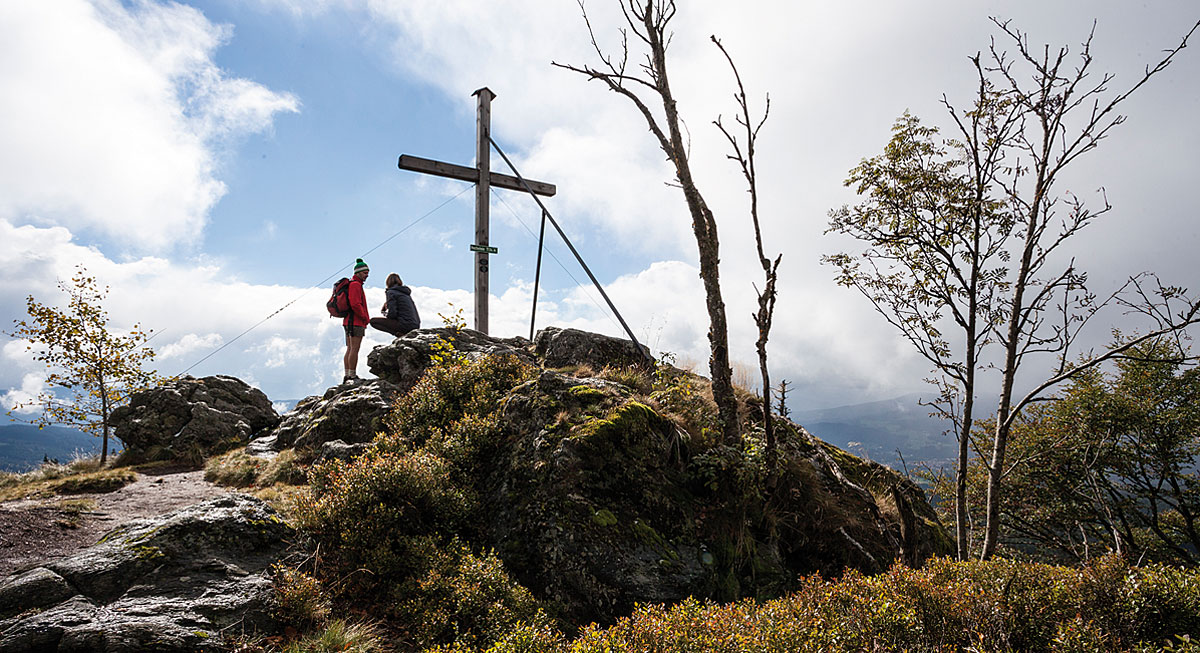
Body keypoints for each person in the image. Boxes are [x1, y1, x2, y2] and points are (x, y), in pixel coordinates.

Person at [342, 258, 370, 383]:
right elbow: (355, 304)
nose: (367, 275)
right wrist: (364, 317)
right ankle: (351, 375)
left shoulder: (352, 284)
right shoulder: (355, 285)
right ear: (358, 273)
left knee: (350, 348)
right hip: (355, 322)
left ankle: (348, 374)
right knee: (354, 348)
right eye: (365, 273)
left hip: (348, 321)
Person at [370, 273, 421, 338]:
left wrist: (386, 314)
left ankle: (399, 334)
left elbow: (392, 313)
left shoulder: (391, 292)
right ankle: (401, 334)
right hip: (415, 325)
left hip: (405, 325)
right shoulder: (406, 294)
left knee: (373, 321)